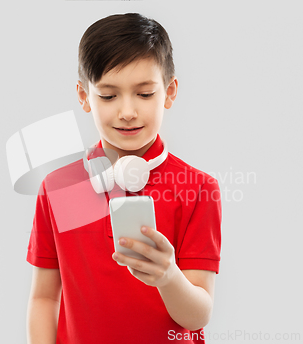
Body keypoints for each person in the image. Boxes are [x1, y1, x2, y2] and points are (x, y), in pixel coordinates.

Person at [26, 13, 222, 344]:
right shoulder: (61, 189)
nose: (127, 111)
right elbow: (44, 297)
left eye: (144, 94)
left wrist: (168, 276)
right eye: (108, 95)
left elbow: (198, 315)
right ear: (84, 96)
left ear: (170, 92)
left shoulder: (198, 189)